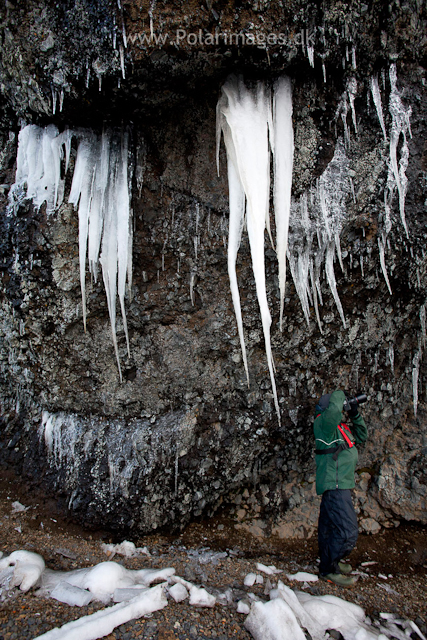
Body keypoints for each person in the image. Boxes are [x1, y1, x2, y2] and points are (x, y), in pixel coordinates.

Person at [313, 389, 368, 587]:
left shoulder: (340, 428)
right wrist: (339, 393)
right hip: (335, 484)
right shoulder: (323, 425)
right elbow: (334, 411)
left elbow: (362, 435)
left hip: (339, 484)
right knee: (347, 531)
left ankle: (329, 562)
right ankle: (329, 569)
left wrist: (354, 412)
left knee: (328, 528)